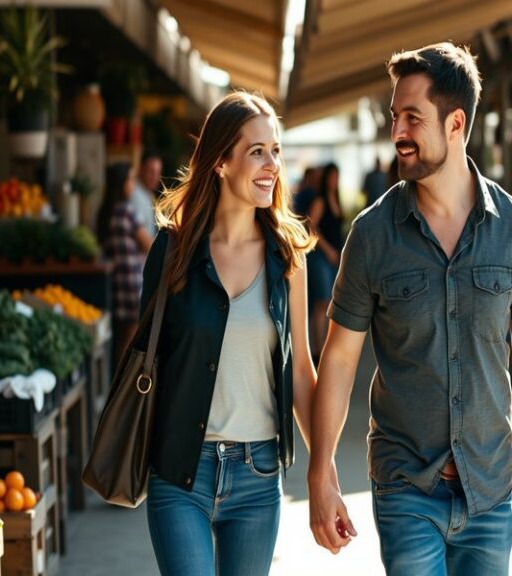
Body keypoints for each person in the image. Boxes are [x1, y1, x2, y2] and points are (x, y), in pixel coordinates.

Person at [308, 42, 512, 576]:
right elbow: (339, 359)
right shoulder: (373, 235)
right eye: (394, 116)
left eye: (412, 117)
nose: (397, 131)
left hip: (490, 488)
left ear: (455, 123)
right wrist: (320, 472)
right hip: (405, 487)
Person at [141, 92, 316, 576]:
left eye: (276, 150)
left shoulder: (288, 258)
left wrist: (324, 470)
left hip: (258, 477)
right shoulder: (173, 250)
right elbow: (143, 355)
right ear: (220, 162)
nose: (272, 164)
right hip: (181, 473)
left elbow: (301, 368)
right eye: (257, 151)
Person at [96, 162, 153, 364]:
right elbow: (150, 246)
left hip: (118, 281)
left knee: (124, 337)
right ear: (121, 183)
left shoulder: (107, 213)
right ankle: (124, 386)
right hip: (132, 282)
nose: (133, 184)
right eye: (130, 179)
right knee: (130, 338)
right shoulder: (127, 212)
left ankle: (120, 383)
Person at [305, 162, 343, 361]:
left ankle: (322, 348)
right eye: (331, 176)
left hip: (334, 258)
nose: (334, 180)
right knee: (321, 303)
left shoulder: (336, 199)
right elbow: (311, 226)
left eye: (337, 177)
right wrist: (327, 250)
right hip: (320, 257)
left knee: (328, 303)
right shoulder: (320, 200)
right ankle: (316, 349)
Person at [130, 149, 163, 237]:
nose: (155, 177)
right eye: (151, 172)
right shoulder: (136, 195)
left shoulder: (148, 195)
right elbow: (141, 235)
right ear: (141, 169)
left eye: (157, 173)